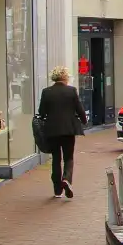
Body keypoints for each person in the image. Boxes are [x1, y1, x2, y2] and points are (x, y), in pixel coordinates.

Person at [37, 66, 86, 199]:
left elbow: (41, 112)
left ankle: (57, 189)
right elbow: (79, 109)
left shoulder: (46, 92)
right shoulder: (71, 91)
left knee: (56, 159)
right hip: (68, 130)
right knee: (68, 157)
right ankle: (66, 179)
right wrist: (84, 120)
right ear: (65, 77)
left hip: (52, 130)